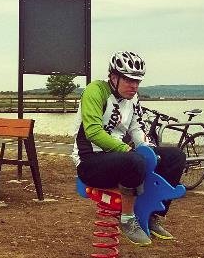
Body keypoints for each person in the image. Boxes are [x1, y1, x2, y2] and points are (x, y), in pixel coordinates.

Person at [72, 51, 186, 246]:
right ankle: (127, 219)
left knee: (175, 156)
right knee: (133, 160)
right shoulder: (96, 91)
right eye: (129, 80)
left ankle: (153, 214)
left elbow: (136, 128)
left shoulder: (133, 99)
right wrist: (125, 149)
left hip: (118, 160)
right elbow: (93, 132)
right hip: (90, 161)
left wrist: (148, 150)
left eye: (138, 81)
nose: (134, 86)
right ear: (113, 77)